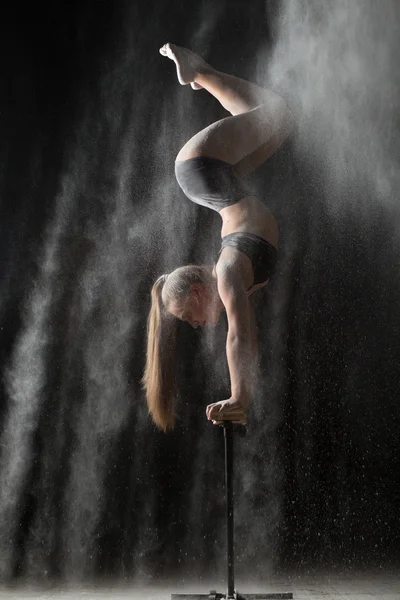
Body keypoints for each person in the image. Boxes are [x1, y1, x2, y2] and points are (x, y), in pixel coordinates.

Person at [143, 43, 293, 432]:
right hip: (220, 176)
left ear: (196, 294)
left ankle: (200, 73)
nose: (195, 325)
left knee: (277, 113)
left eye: (188, 317)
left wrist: (239, 397)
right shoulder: (236, 272)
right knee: (280, 123)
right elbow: (241, 329)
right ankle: (200, 73)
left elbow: (239, 334)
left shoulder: (227, 273)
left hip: (201, 169)